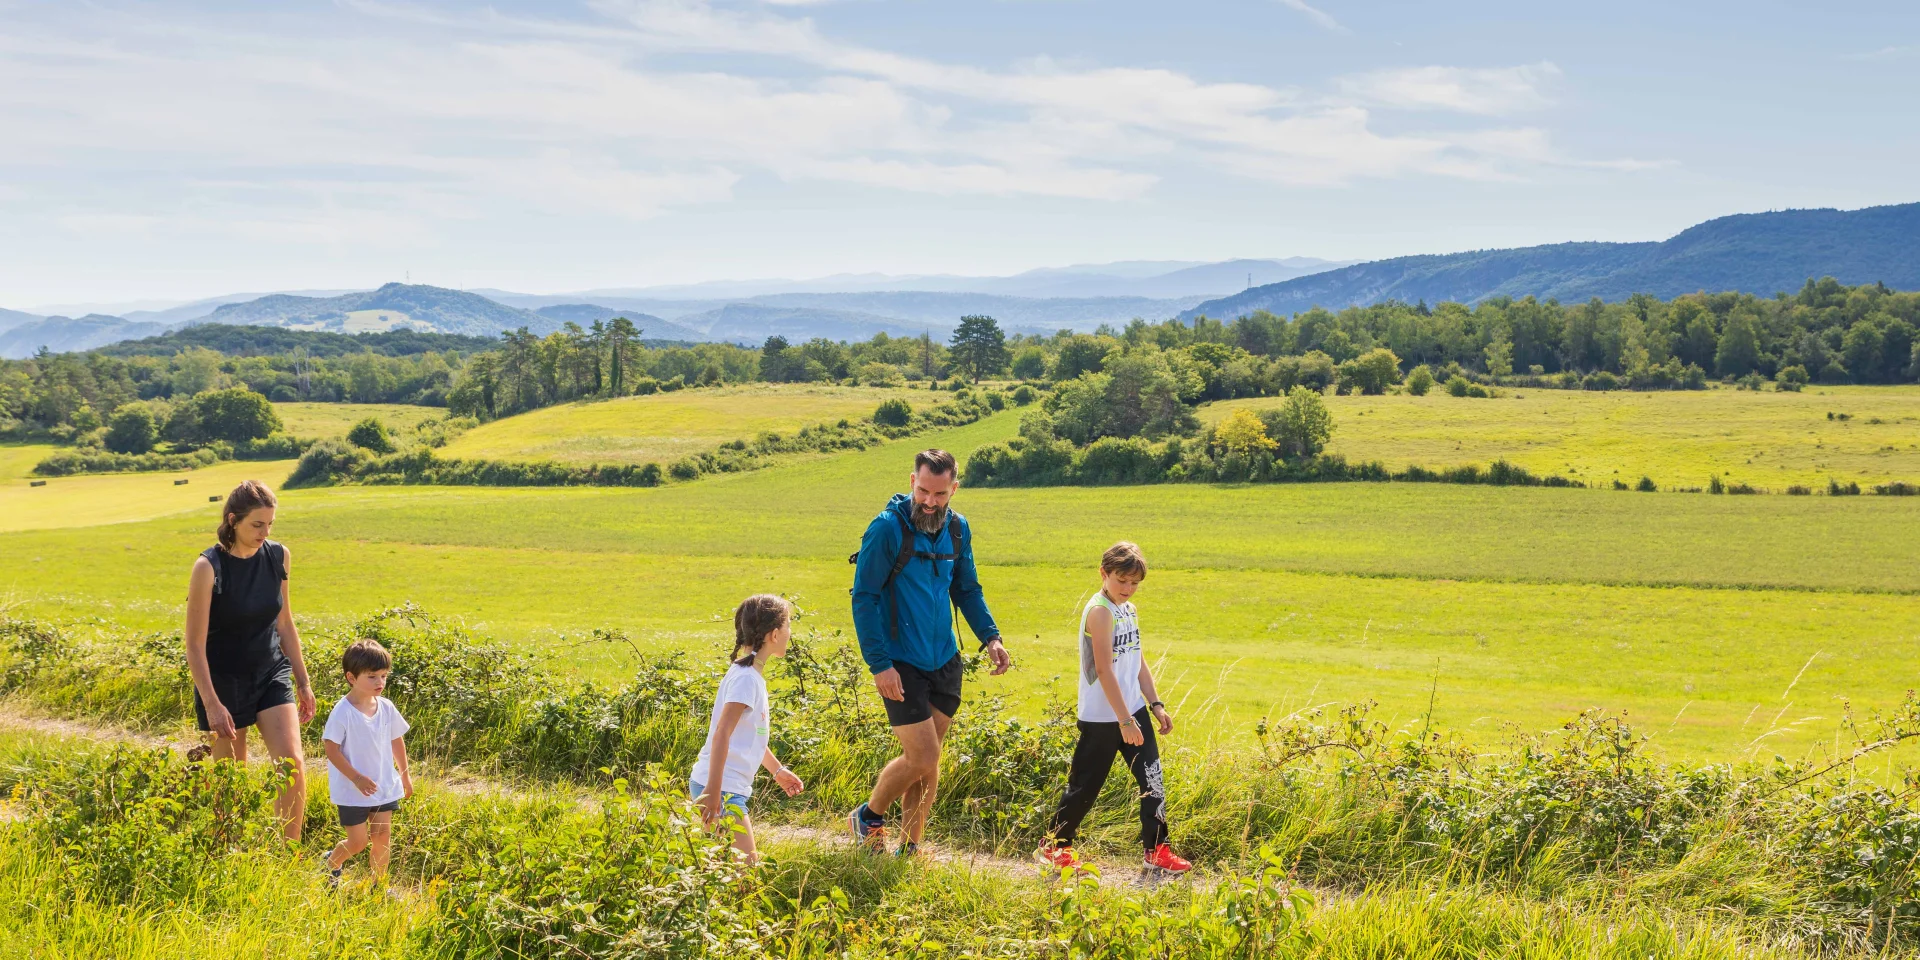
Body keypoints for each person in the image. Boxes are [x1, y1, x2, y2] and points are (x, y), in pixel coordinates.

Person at [847, 449, 1010, 856]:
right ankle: (868, 816)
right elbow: (864, 598)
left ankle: (910, 848)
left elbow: (967, 588)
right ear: (911, 482)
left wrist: (990, 636)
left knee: (927, 762)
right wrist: (880, 665)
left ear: (954, 489)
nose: (930, 502)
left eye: (940, 494)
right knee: (923, 755)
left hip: (945, 659)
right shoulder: (886, 529)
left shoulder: (958, 529)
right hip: (900, 661)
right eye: (923, 491)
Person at [1035, 542, 1192, 879]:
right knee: (1085, 787)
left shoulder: (1128, 609)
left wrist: (1156, 704)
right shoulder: (1100, 611)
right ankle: (1054, 847)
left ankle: (1157, 850)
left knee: (1152, 781)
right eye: (1122, 580)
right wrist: (1124, 720)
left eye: (1135, 583)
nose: (1128, 588)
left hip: (1132, 710)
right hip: (1103, 717)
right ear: (1103, 573)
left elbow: (1137, 661)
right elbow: (1104, 670)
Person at [184, 479, 317, 841]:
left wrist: (303, 682)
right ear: (233, 520)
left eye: (270, 524)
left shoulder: (278, 556)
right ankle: (229, 853)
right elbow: (194, 646)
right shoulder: (208, 568)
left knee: (292, 763)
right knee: (231, 777)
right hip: (223, 681)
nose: (265, 532)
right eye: (257, 524)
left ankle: (287, 855)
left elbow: (285, 622)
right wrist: (211, 703)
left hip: (271, 671)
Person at [690, 594, 806, 863]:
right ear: (775, 634)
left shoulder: (749, 675)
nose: (790, 633)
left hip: (720, 786)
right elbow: (722, 734)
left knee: (721, 871)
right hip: (722, 789)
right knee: (746, 873)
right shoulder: (746, 680)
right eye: (788, 625)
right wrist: (713, 792)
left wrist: (777, 770)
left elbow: (750, 738)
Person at [321, 639, 412, 891]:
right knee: (358, 842)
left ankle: (379, 887)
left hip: (384, 786)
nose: (380, 682)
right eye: (372, 676)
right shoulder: (342, 712)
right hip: (352, 792)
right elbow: (331, 749)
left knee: (382, 837)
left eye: (383, 676)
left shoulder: (386, 707)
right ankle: (331, 862)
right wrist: (357, 778)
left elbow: (397, 740)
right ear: (351, 677)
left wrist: (404, 776)